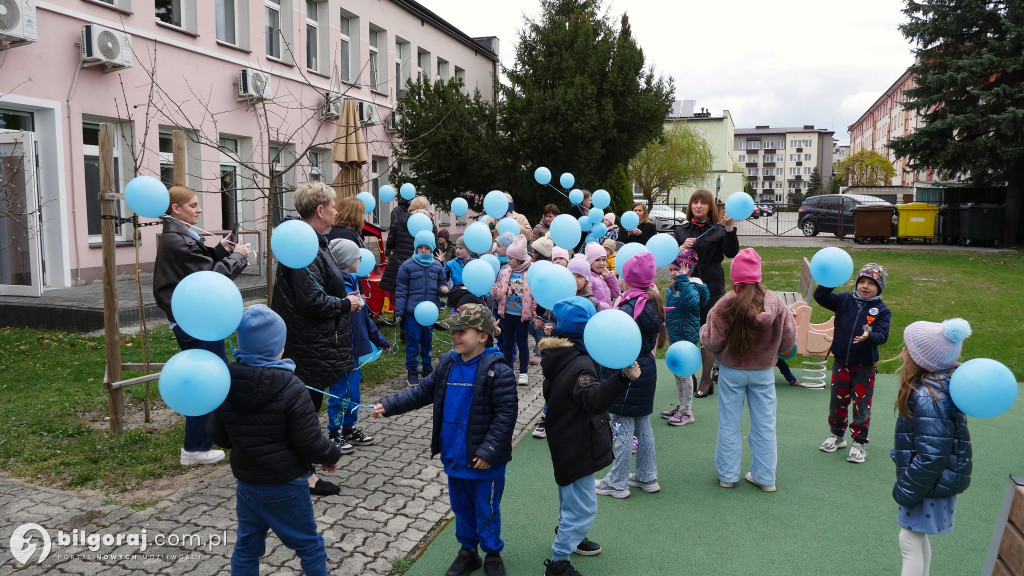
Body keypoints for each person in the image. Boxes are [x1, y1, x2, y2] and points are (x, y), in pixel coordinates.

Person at [371, 304, 517, 576]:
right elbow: (421, 393)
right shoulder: (447, 363)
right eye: (453, 331)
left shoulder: (499, 370)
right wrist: (388, 405)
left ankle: (492, 552)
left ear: (483, 335)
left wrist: (489, 451)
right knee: (461, 507)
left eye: (462, 331)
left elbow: (506, 415)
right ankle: (468, 552)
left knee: (486, 508)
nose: (455, 336)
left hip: (485, 460)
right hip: (454, 453)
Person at [207, 305, 341, 576]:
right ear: (279, 346)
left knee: (246, 548)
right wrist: (331, 455)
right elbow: (310, 442)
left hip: (247, 483)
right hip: (286, 484)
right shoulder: (292, 387)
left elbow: (219, 435)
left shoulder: (224, 383)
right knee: (309, 545)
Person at [539, 297, 641, 576]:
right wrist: (622, 379)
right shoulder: (581, 364)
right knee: (583, 507)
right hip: (577, 443)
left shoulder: (560, 355)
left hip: (565, 438)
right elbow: (593, 400)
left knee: (569, 497)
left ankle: (570, 535)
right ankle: (559, 560)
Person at [271, 182, 361, 496]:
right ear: (320, 210)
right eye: (334, 206)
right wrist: (345, 304)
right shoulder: (305, 246)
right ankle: (303, 476)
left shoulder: (315, 242)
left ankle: (297, 469)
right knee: (305, 407)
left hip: (312, 341)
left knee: (308, 404)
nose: (337, 211)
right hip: (305, 342)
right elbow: (311, 300)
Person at [154, 185, 251, 466]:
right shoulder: (179, 240)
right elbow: (211, 276)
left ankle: (209, 438)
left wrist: (220, 249)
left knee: (211, 377)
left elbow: (200, 264)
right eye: (193, 205)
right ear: (176, 208)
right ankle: (195, 448)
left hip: (195, 317)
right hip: (195, 321)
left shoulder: (180, 236)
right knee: (206, 381)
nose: (198, 210)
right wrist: (238, 257)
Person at [700, 248, 796, 492]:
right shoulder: (776, 303)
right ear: (758, 275)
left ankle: (728, 475)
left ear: (735, 278)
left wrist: (704, 331)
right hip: (763, 371)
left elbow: (711, 342)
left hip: (732, 371)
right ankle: (765, 478)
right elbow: (787, 343)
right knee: (765, 424)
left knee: (729, 424)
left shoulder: (724, 304)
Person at [893, 318, 973, 576]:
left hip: (928, 483)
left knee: (909, 541)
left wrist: (906, 488)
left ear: (920, 358)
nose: (903, 351)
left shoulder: (928, 395)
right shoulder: (940, 385)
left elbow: (932, 455)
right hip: (934, 481)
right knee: (915, 537)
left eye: (907, 348)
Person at [596, 252, 667, 499]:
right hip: (646, 367)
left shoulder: (628, 307)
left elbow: (616, 342)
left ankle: (617, 482)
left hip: (628, 369)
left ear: (628, 279)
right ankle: (648, 476)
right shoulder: (653, 301)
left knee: (623, 426)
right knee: (643, 424)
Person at [814, 263, 891, 463]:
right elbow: (820, 297)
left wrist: (870, 335)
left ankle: (859, 443)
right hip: (841, 363)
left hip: (864, 366)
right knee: (837, 402)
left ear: (880, 287)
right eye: (861, 282)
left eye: (871, 283)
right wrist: (831, 281)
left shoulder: (881, 310)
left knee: (861, 406)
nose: (865, 286)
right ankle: (837, 435)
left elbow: (883, 335)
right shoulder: (845, 300)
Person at [672, 189, 740, 397]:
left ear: (710, 207)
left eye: (703, 203)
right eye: (695, 202)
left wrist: (729, 229)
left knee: (707, 333)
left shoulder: (718, 231)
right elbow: (672, 259)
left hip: (711, 286)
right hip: (685, 286)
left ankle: (705, 379)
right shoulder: (680, 230)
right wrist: (681, 247)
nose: (698, 206)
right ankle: (688, 374)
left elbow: (731, 253)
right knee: (686, 332)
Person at [327, 239, 392, 448]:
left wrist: (381, 341)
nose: (361, 260)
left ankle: (348, 428)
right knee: (339, 393)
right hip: (340, 349)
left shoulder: (355, 282)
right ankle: (334, 433)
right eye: (357, 257)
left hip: (354, 352)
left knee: (353, 393)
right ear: (348, 260)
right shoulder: (335, 286)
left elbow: (365, 320)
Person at [662, 249, 709, 426]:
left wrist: (683, 280)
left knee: (685, 373)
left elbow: (692, 303)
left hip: (686, 337)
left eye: (677, 269)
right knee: (677, 373)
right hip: (675, 335)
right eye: (671, 270)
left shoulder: (693, 285)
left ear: (688, 269)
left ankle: (688, 411)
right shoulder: (672, 288)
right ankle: (681, 406)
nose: (673, 273)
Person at [395, 230, 448, 386]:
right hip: (412, 313)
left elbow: (442, 283)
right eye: (421, 247)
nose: (424, 251)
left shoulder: (437, 266)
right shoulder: (407, 266)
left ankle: (427, 368)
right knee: (412, 342)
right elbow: (401, 290)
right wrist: (399, 311)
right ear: (416, 248)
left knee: (427, 341)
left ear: (432, 249)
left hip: (429, 313)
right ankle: (412, 371)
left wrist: (443, 289)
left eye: (427, 248)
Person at [491, 234, 535, 386]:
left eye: (511, 259)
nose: (508, 261)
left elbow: (535, 296)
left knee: (522, 343)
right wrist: (496, 293)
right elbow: (499, 289)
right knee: (508, 343)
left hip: (522, 317)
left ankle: (523, 372)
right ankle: (507, 369)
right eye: (508, 258)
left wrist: (536, 316)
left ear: (520, 259)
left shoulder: (530, 274)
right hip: (507, 314)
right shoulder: (505, 273)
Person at [584, 242, 619, 311]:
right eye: (597, 260)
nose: (601, 263)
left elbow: (616, 294)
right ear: (589, 261)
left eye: (604, 260)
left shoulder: (603, 277)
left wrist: (609, 277)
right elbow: (588, 302)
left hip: (606, 314)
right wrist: (606, 308)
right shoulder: (589, 279)